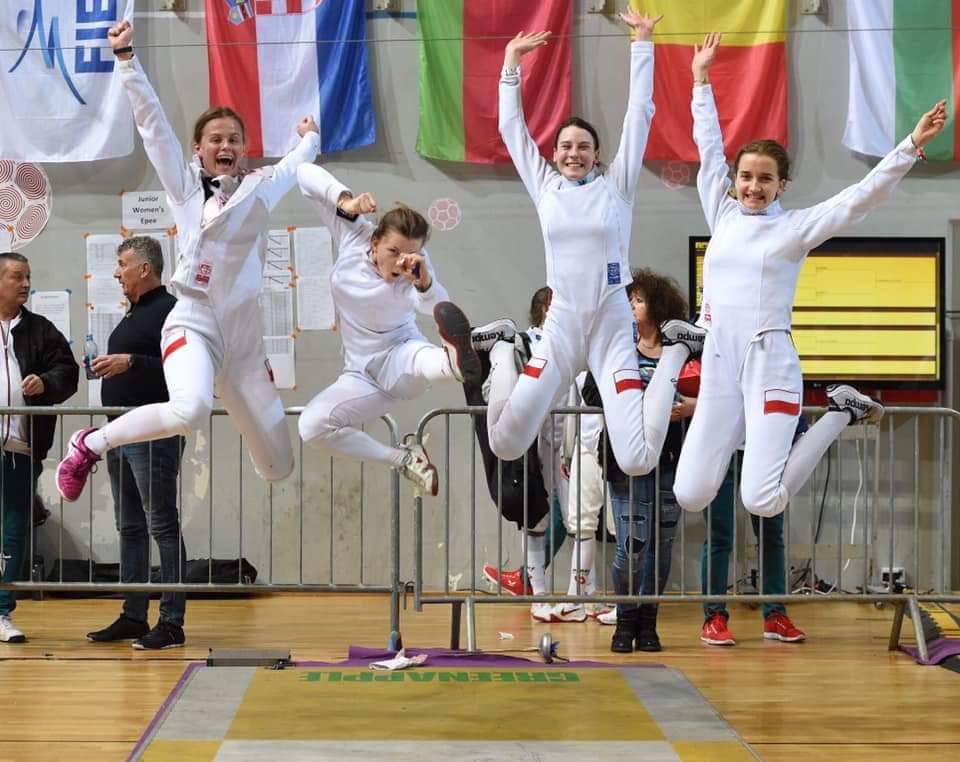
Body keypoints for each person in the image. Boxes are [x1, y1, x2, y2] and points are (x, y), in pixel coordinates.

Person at [673, 33, 947, 521]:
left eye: (765, 178)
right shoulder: (723, 213)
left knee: (761, 500)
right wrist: (700, 80)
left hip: (770, 366)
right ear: (736, 180)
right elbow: (708, 149)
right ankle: (793, 421)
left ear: (782, 185)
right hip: (719, 364)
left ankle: (843, 411)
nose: (753, 186)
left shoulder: (795, 229)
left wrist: (908, 147)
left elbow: (859, 198)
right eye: (746, 177)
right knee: (690, 493)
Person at [55, 20, 321, 502]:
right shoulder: (184, 188)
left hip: (243, 341)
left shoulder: (261, 189)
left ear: (243, 149)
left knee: (278, 467)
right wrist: (127, 60)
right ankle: (89, 444)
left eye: (233, 139)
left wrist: (310, 136)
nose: (225, 146)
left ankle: (241, 400)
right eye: (215, 139)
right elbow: (153, 126)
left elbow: (300, 159)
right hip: (193, 322)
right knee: (189, 411)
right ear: (199, 149)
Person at [460, 13, 704, 500]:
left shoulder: (618, 187)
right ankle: (504, 346)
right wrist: (510, 63)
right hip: (562, 329)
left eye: (584, 147)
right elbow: (511, 128)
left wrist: (642, 43)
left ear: (596, 154)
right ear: (554, 154)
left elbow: (640, 114)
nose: (574, 153)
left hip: (612, 331)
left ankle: (677, 348)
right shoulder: (545, 187)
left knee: (636, 458)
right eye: (566, 146)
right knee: (506, 442)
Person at [296, 164, 480, 495]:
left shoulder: (415, 269)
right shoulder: (354, 233)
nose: (399, 262)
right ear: (376, 241)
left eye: (409, 254)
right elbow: (304, 173)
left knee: (419, 358)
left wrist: (424, 283)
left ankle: (453, 363)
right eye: (393, 251)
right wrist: (345, 200)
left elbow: (439, 307)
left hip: (399, 351)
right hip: (360, 375)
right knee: (311, 427)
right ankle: (405, 459)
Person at [582, 269, 696, 653]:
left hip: (671, 456)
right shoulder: (617, 347)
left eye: (640, 300)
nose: (632, 306)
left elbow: (712, 393)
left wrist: (687, 407)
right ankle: (625, 619)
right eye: (629, 300)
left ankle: (649, 622)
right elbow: (592, 393)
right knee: (631, 545)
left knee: (661, 545)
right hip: (623, 459)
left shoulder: (683, 351)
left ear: (659, 307)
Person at [84, 237, 187, 650]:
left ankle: (172, 622)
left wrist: (132, 362)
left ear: (145, 269)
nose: (116, 272)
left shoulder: (173, 311)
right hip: (121, 432)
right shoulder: (135, 313)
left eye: (122, 264)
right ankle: (133, 615)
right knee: (129, 526)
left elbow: (185, 370)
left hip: (153, 434)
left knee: (161, 523)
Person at [474, 287, 570, 620]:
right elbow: (494, 389)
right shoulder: (524, 343)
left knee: (577, 520)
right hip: (534, 440)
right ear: (546, 307)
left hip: (570, 441)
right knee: (537, 517)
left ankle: (582, 598)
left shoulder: (574, 342)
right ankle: (538, 595)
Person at [0, 252, 79, 643]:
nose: (26, 284)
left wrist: (46, 382)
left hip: (20, 448)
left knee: (14, 531)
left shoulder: (41, 330)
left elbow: (68, 373)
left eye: (28, 276)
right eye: (17, 276)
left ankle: (1, 611)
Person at [700, 425, 807, 647]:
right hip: (722, 448)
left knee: (771, 535)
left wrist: (798, 429)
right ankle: (713, 616)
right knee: (719, 535)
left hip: (766, 451)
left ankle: (775, 614)